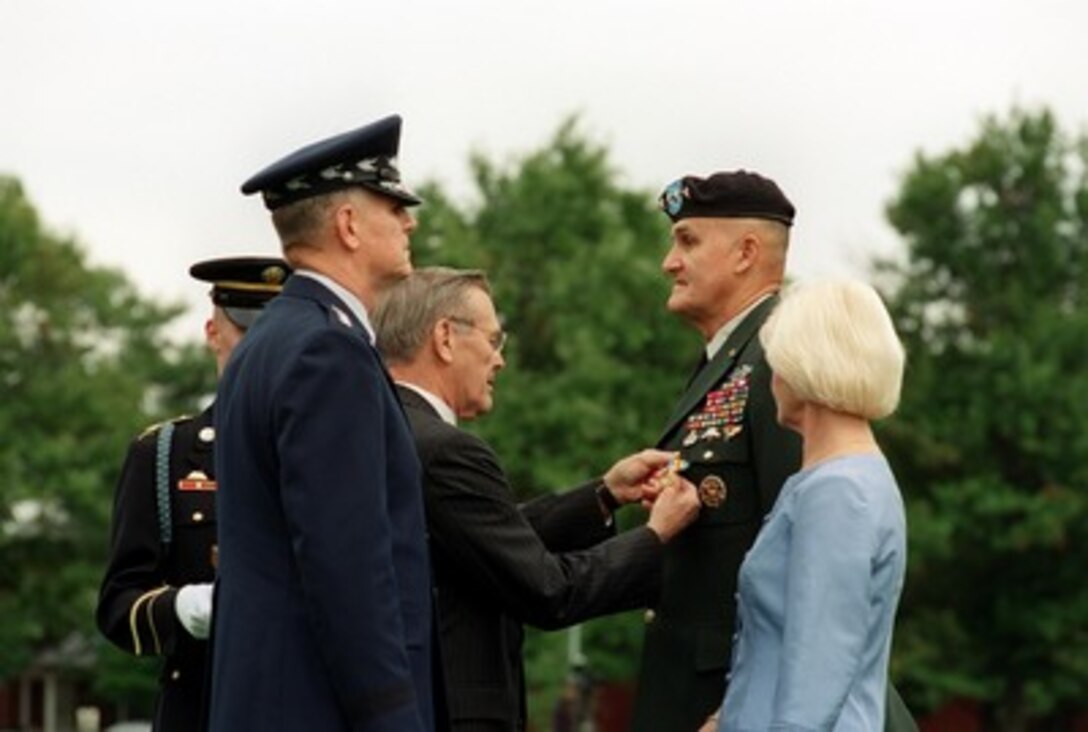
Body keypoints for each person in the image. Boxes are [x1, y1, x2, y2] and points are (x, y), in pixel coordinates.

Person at [632, 171, 916, 732]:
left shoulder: (784, 355)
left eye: (687, 240)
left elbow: (821, 631)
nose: (669, 261)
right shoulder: (730, 362)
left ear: (746, 252)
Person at [372, 267, 701, 732]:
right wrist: (655, 535)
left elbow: (482, 539)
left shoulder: (382, 430)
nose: (500, 360)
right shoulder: (447, 451)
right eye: (493, 340)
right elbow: (549, 591)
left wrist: (604, 495)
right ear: (445, 338)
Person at [209, 114, 436, 732]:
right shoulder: (327, 353)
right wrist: (391, 715)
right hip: (321, 708)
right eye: (393, 206)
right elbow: (347, 564)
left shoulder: (270, 341)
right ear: (348, 225)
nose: (409, 221)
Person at [701, 279, 908, 730]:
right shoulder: (843, 479)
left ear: (802, 368)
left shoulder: (839, 492)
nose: (771, 379)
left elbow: (818, 670)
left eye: (776, 363)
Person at [96, 255, 290, 732]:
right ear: (212, 333)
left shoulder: (333, 450)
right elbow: (119, 605)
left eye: (274, 338)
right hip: (201, 705)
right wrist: (186, 607)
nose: (258, 352)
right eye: (246, 333)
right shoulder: (164, 454)